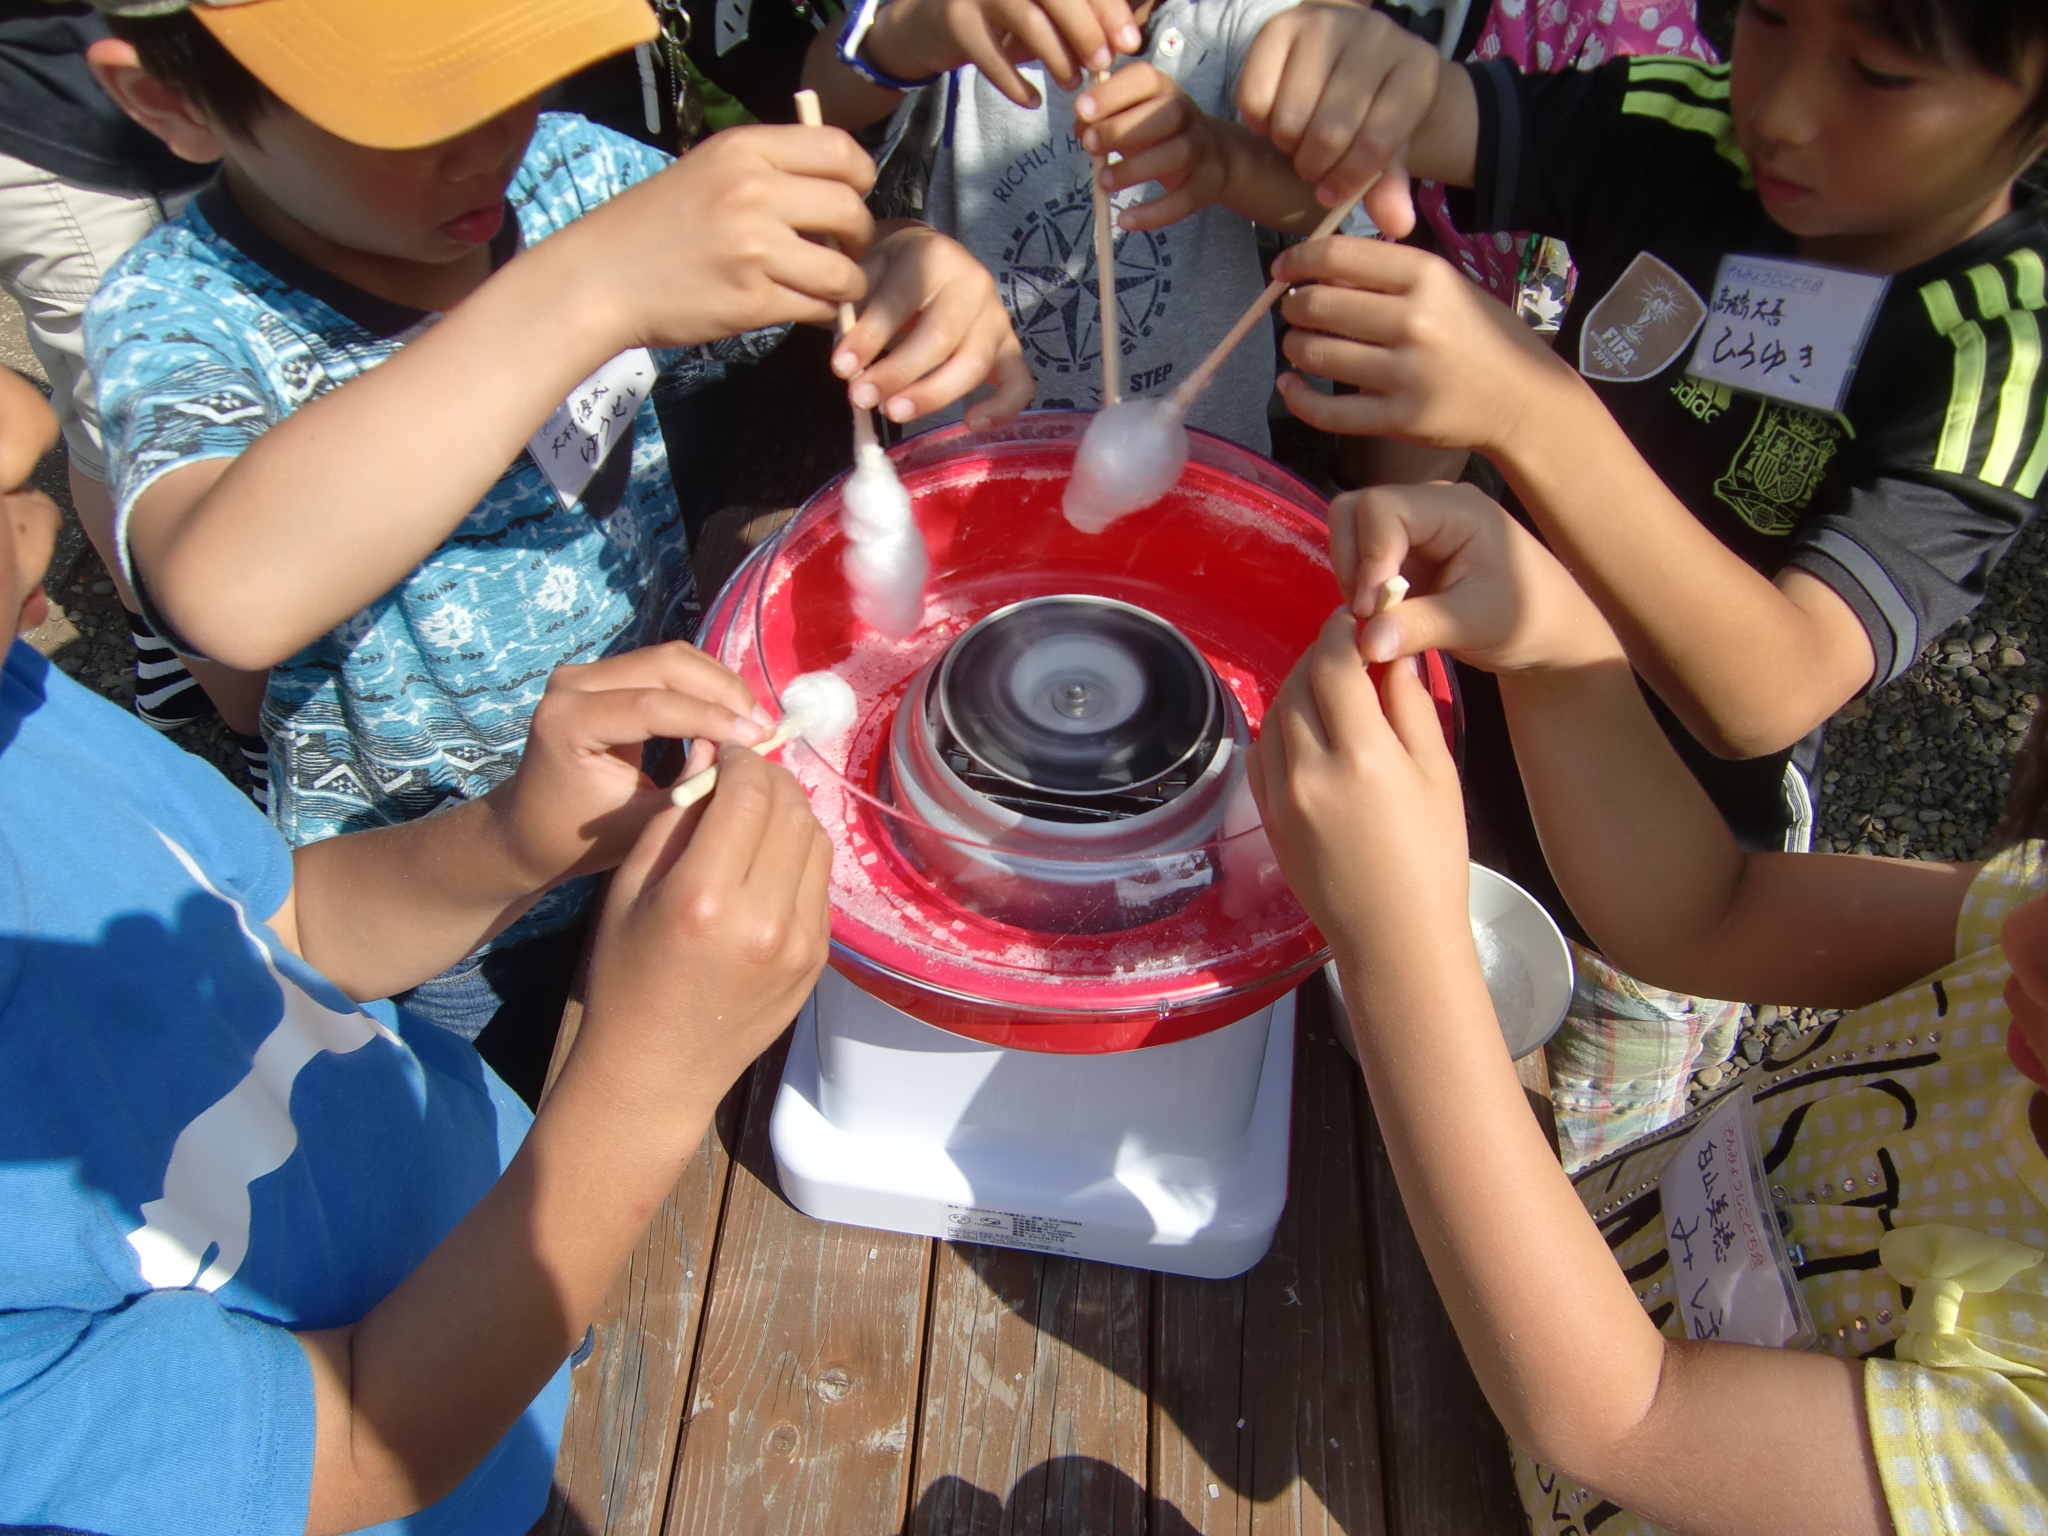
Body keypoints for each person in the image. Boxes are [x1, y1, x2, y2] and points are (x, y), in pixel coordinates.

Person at [79, 0, 1030, 1065]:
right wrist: (585, 289)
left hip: (676, 787)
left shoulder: (567, 172)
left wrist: (896, 264)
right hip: (439, 898)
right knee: (501, 1089)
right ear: (168, 100)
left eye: (506, 69)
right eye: (409, 115)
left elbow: (794, 286)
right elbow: (225, 595)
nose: (489, 140)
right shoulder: (183, 316)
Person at [0, 365, 830, 1533]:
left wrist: (512, 839)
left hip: (493, 1201)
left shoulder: (21, 723)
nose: (25, 424)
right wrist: (648, 1081)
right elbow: (358, 1446)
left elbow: (281, 925)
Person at [1251, 477, 2048, 1536]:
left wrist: (1394, 933)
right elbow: (1707, 912)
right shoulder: (2029, 927)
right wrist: (1557, 652)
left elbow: (1624, 1416)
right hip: (1530, 1284)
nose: (2020, 940)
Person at [1253, 0, 2048, 861]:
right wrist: (1368, 70)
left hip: (1664, 842)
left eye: (1879, 75)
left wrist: (1529, 407)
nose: (1781, 113)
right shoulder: (1687, 123)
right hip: (1466, 694)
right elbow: (1440, 108)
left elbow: (1771, 691)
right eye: (1769, 16)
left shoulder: (1997, 351)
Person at [798, 0, 1430, 453]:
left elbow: (1320, 198)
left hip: (1199, 453)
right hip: (980, 450)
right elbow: (819, 101)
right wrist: (917, 31)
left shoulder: (1236, 19)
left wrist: (1224, 162)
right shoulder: (972, 22)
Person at [0, 0, 267, 780]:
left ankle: (163, 649)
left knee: (103, 421)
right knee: (155, 439)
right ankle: (263, 744)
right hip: (70, 115)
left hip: (136, 83)